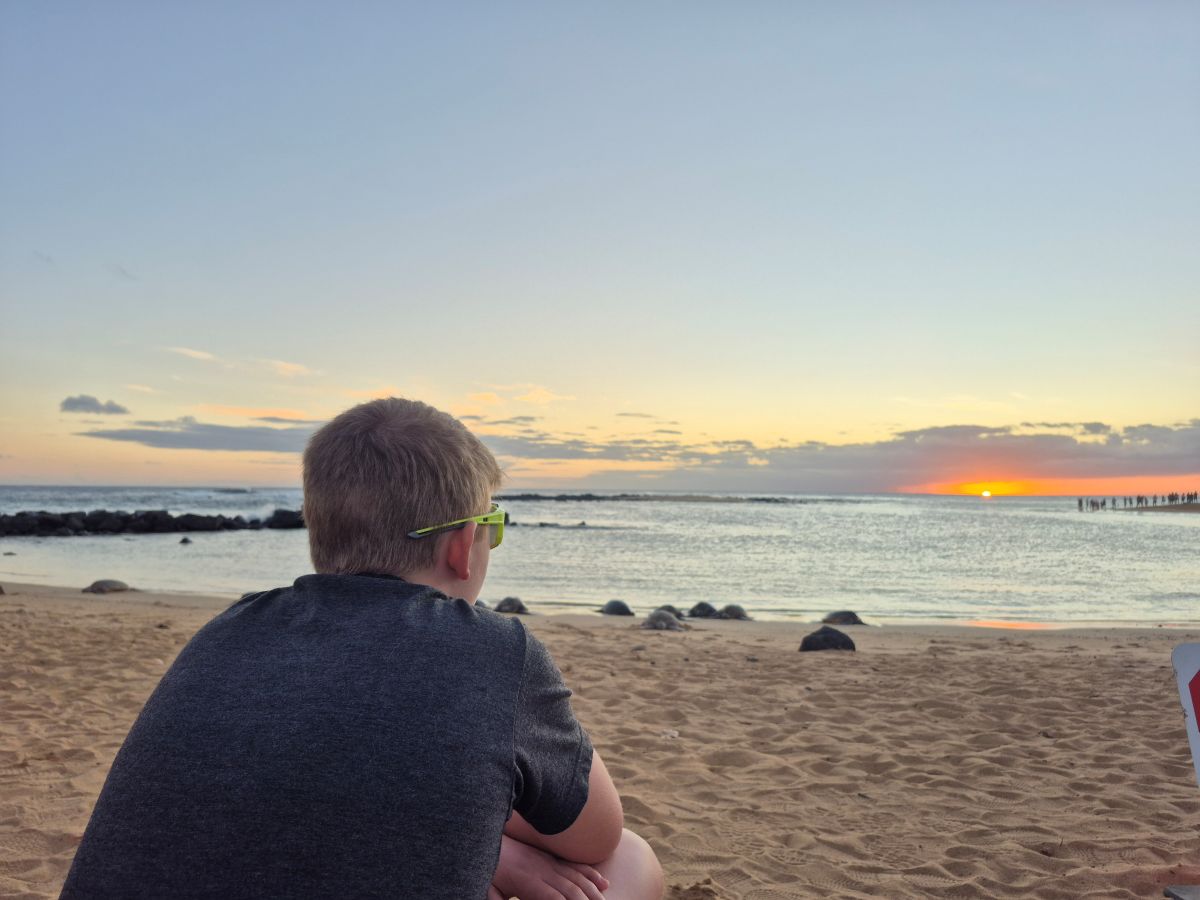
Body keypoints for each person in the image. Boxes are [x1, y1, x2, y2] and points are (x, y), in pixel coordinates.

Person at [61, 398, 663, 900]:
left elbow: (290, 785)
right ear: (463, 547)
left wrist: (495, 851)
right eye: (493, 529)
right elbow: (596, 838)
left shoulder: (227, 628)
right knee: (632, 863)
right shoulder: (496, 649)